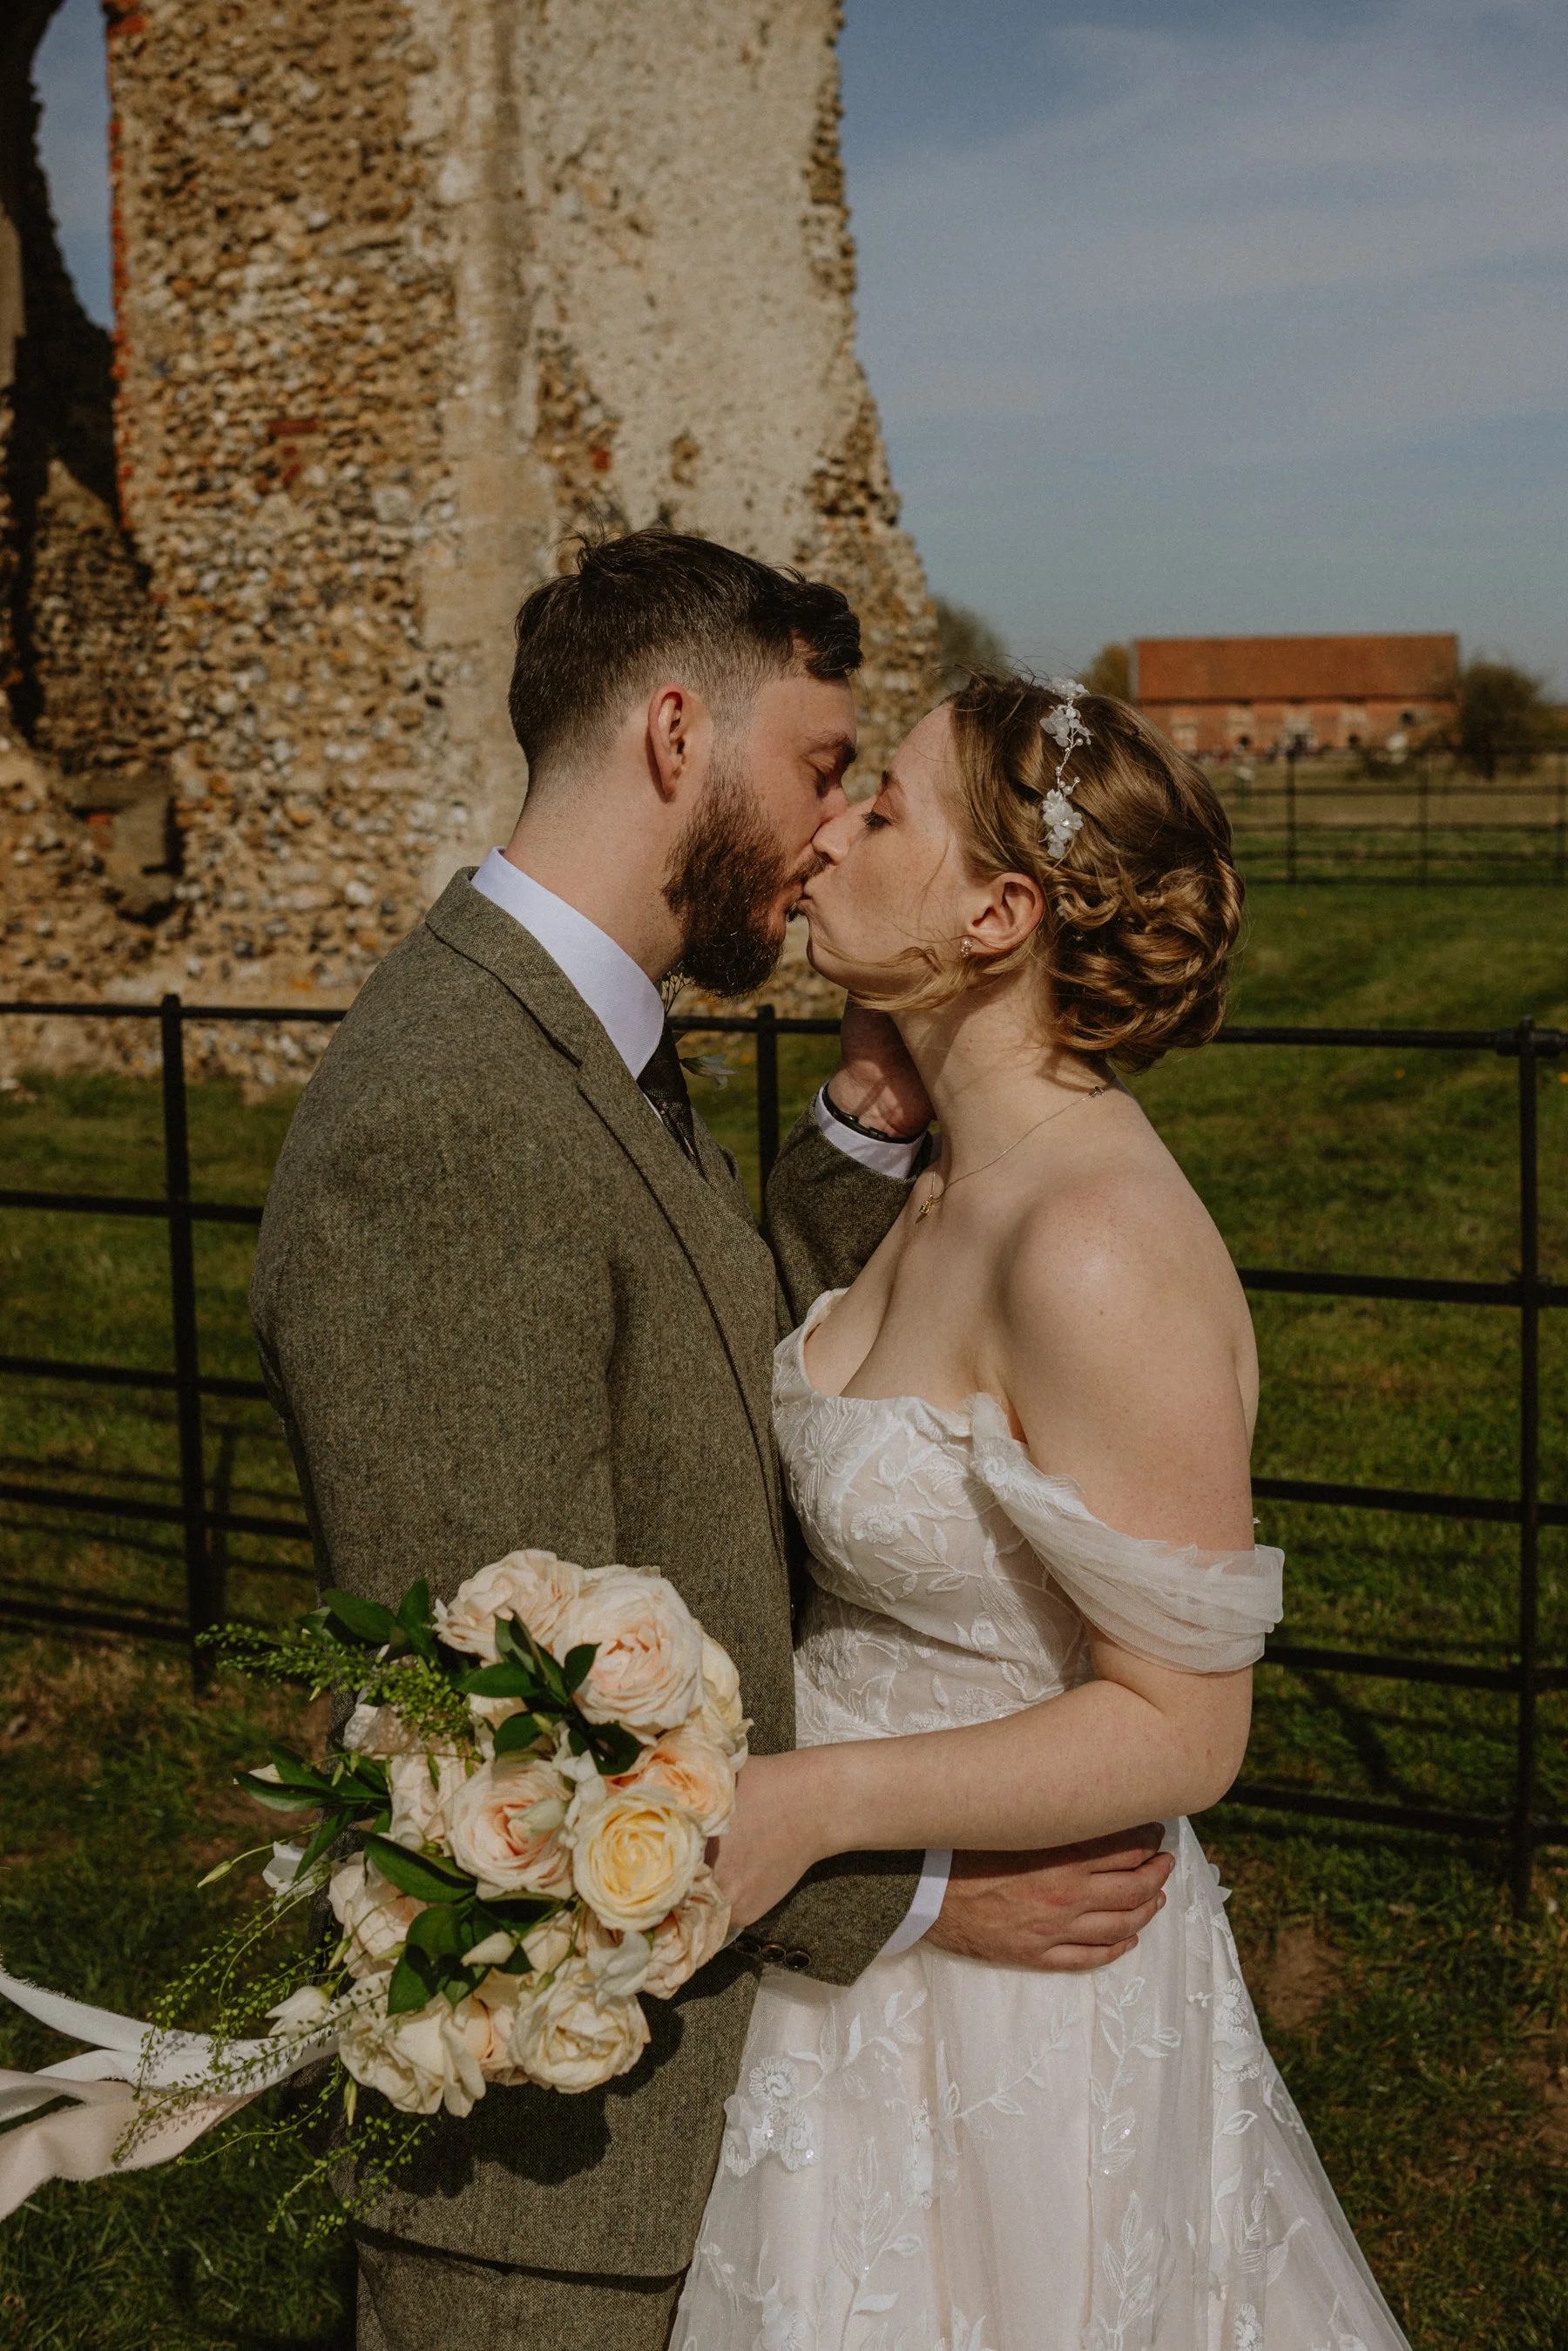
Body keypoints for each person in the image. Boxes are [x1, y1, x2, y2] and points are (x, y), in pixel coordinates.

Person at [248, 537, 1173, 2351]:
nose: (831, 833)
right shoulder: (451, 1119)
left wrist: (859, 1134)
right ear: (679, 735)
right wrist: (920, 1891)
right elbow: (515, 1732)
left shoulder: (581, 1043)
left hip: (691, 2109)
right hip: (554, 2195)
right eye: (823, 768)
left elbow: (701, 1389)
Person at [679, 676, 1411, 2348]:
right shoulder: (943, 1174)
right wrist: (872, 1113)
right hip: (850, 1959)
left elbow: (1182, 1727)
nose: (830, 830)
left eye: (885, 809)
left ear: (996, 916)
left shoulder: (1093, 1244)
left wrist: (810, 1802)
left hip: (1016, 2002)